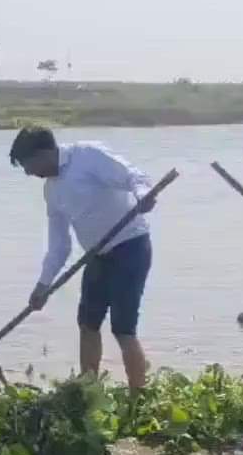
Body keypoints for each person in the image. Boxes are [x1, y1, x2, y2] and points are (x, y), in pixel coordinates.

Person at [9, 126, 156, 391]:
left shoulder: (87, 155)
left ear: (44, 153)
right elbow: (59, 245)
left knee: (123, 328)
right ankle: (89, 390)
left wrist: (143, 196)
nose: (28, 172)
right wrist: (43, 285)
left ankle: (139, 397)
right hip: (97, 256)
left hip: (130, 246)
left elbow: (133, 176)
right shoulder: (51, 191)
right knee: (87, 324)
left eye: (28, 164)